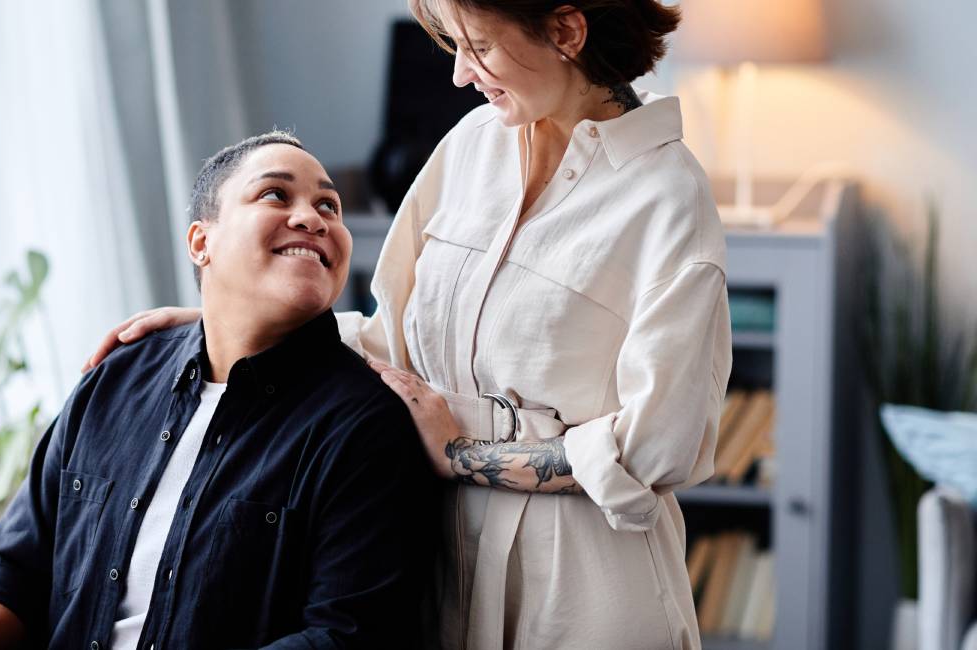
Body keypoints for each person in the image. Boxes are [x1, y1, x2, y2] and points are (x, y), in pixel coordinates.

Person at [84, 1, 732, 648]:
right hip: (436, 569)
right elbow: (387, 338)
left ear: (565, 30)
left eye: (477, 46)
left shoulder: (668, 196)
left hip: (583, 592)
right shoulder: (471, 147)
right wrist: (231, 316)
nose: (459, 73)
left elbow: (657, 447)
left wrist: (462, 455)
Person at [0, 131, 438, 650]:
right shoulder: (116, 377)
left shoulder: (364, 424)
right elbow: (12, 567)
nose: (313, 218)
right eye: (275, 195)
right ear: (201, 242)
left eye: (329, 206)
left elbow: (346, 637)